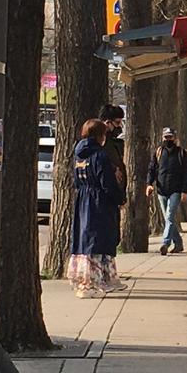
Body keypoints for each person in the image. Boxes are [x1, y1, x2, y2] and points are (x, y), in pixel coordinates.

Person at [66, 117, 127, 297]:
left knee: (86, 238)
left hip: (83, 199)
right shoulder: (100, 155)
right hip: (100, 201)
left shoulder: (78, 154)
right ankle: (90, 284)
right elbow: (106, 181)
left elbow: (76, 180)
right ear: (100, 135)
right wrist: (119, 198)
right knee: (99, 239)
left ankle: (104, 279)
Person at [148, 128, 187, 255]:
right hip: (161, 190)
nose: (168, 140)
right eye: (166, 137)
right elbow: (152, 169)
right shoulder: (159, 152)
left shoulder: (181, 154)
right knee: (168, 219)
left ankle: (165, 243)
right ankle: (178, 243)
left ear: (175, 138)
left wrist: (184, 191)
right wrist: (149, 184)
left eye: (170, 137)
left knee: (170, 215)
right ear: (162, 138)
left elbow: (186, 174)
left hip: (176, 190)